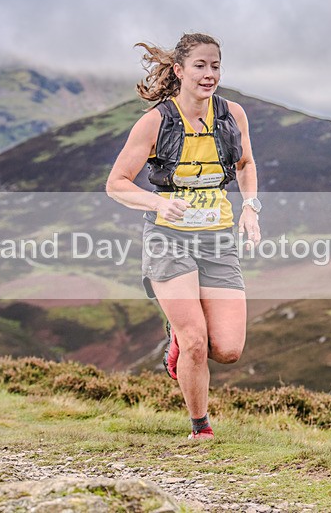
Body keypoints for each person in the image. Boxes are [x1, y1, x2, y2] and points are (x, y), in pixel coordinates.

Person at [106, 33, 261, 439]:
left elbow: (245, 164)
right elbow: (116, 184)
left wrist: (250, 207)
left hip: (218, 240)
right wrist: (158, 204)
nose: (209, 74)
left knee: (226, 349)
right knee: (196, 341)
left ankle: (177, 337)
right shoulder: (157, 121)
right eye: (200, 66)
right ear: (179, 70)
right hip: (168, 239)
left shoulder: (233, 115)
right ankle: (200, 428)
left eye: (215, 66)